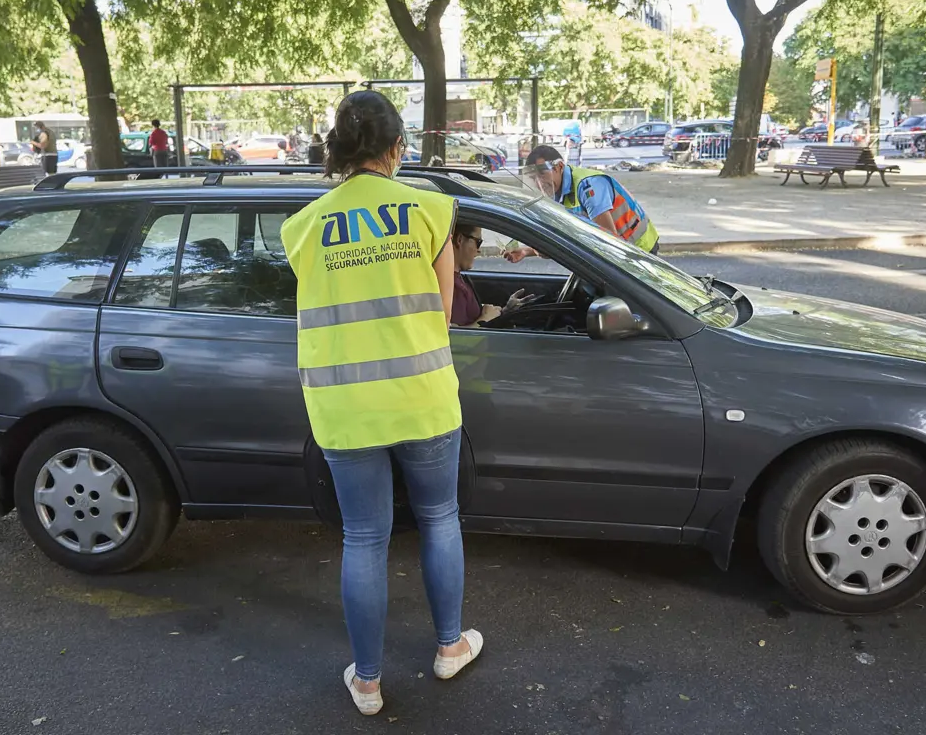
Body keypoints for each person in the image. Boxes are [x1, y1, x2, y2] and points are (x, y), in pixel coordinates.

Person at [279, 90, 482, 717]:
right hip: (421, 397)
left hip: (345, 407)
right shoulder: (428, 211)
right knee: (440, 516)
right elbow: (446, 310)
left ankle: (366, 682)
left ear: (339, 150)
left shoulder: (303, 227)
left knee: (365, 537)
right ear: (398, 148)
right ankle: (450, 648)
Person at [507, 144, 660, 262]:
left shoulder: (589, 186)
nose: (539, 183)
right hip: (618, 251)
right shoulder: (558, 193)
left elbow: (608, 241)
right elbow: (565, 237)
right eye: (533, 178)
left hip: (639, 249)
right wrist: (527, 251)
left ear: (559, 167)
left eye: (542, 174)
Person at [451, 223, 532, 326]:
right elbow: (457, 338)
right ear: (460, 240)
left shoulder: (457, 278)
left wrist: (505, 311)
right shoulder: (452, 287)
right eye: (478, 242)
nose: (479, 250)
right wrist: (485, 318)